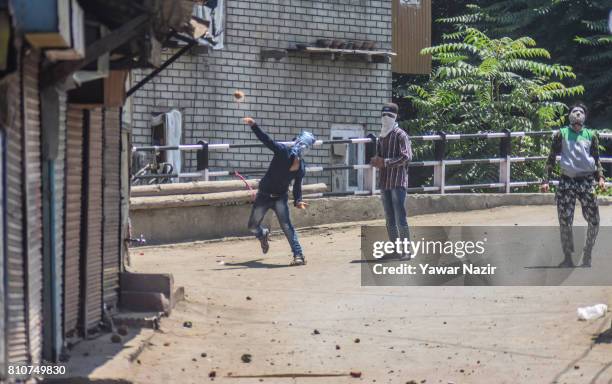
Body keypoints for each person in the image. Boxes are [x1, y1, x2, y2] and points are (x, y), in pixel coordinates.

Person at [541, 104, 607, 268]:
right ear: (569, 115)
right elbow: (551, 158)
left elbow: (596, 158)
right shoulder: (561, 134)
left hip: (586, 182)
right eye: (574, 111)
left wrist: (601, 177)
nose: (578, 114)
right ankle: (568, 257)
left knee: (595, 220)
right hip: (566, 181)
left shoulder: (591, 135)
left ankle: (588, 253)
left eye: (581, 112)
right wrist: (545, 180)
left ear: (585, 116)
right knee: (565, 221)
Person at [243, 117, 315, 266]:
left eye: (306, 146)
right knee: (252, 226)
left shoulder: (301, 167)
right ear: (297, 142)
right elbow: (267, 140)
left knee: (287, 226)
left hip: (280, 198)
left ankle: (299, 256)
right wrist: (254, 125)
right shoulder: (282, 151)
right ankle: (262, 234)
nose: (302, 147)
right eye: (301, 144)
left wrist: (298, 201)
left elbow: (297, 186)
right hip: (264, 195)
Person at [370, 103, 413, 260]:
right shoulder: (381, 136)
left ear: (395, 117)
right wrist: (376, 161)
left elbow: (406, 157)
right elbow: (380, 157)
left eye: (389, 115)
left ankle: (406, 250)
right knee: (389, 217)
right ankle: (395, 249)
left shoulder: (401, 135)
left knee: (400, 216)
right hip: (385, 181)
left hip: (398, 181)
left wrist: (386, 162)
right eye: (383, 115)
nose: (385, 118)